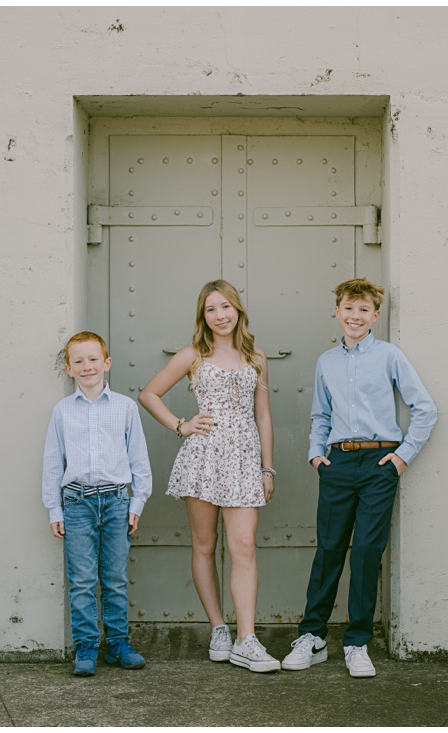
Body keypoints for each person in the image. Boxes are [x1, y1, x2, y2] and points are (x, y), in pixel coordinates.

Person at [282, 278, 437, 678]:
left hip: (379, 465)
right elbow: (320, 414)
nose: (355, 316)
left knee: (367, 551)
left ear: (375, 316)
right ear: (337, 312)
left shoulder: (389, 356)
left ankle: (356, 642)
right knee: (330, 548)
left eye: (364, 310)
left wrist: (402, 457)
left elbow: (425, 409)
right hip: (337, 464)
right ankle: (312, 637)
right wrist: (317, 454)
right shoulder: (326, 362)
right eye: (349, 309)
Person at [139, 280, 279, 673]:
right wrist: (181, 425)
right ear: (203, 316)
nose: (220, 316)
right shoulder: (192, 355)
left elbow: (263, 414)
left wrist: (267, 467)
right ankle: (219, 627)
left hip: (245, 461)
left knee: (244, 547)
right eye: (211, 309)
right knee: (204, 545)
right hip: (202, 458)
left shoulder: (257, 356)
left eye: (226, 307)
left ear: (238, 309)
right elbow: (149, 394)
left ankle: (246, 639)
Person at [42, 331, 152, 676]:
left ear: (107, 363)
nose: (86, 366)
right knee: (83, 580)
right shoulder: (62, 412)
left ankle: (118, 644)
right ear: (69, 369)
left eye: (93, 359)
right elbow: (52, 462)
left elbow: (139, 461)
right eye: (78, 361)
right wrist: (54, 508)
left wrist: (137, 504)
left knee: (116, 578)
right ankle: (86, 647)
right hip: (76, 504)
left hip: (118, 502)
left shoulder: (124, 407)